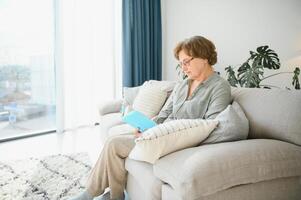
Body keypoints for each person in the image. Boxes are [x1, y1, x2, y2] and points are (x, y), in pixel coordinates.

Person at [71, 35, 231, 200]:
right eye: (181, 63)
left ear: (204, 57)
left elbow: (212, 125)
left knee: (114, 144)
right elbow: (165, 114)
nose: (183, 67)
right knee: (117, 141)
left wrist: (162, 132)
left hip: (178, 140)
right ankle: (113, 195)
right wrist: (147, 126)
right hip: (159, 134)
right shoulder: (183, 84)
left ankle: (91, 195)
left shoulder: (219, 87)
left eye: (187, 62)